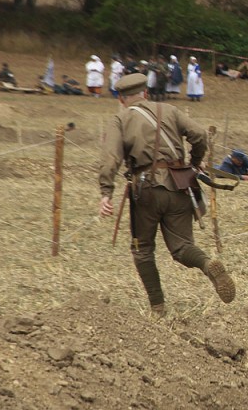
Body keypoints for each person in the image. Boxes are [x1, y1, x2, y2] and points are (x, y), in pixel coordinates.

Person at [98, 73, 235, 316]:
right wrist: (193, 162)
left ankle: (158, 308)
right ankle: (206, 263)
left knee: (143, 250)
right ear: (146, 93)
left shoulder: (120, 119)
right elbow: (199, 135)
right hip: (180, 184)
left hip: (146, 190)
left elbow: (111, 159)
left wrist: (106, 192)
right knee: (182, 247)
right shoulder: (170, 110)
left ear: (121, 98)